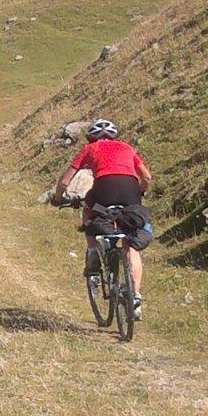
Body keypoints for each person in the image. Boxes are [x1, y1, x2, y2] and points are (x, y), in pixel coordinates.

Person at [53, 119, 153, 319]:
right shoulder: (126, 147)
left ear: (91, 137)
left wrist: (57, 198)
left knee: (89, 209)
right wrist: (139, 192)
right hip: (131, 192)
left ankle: (92, 252)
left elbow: (65, 181)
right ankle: (135, 297)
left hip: (103, 190)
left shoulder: (90, 148)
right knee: (130, 244)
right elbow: (147, 177)